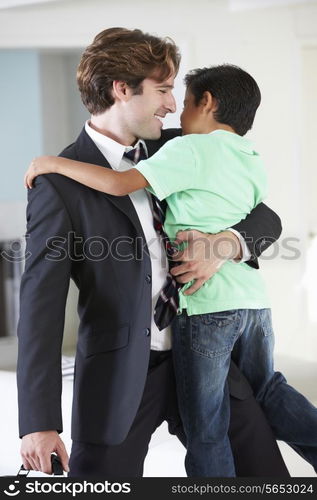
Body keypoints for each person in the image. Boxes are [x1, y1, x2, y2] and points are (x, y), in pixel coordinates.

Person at [18, 28, 289, 478]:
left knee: (267, 481)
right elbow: (40, 307)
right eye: (163, 89)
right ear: (121, 89)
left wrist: (225, 245)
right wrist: (39, 422)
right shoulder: (59, 183)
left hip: (205, 352)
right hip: (121, 377)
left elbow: (267, 219)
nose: (171, 104)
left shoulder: (186, 147)